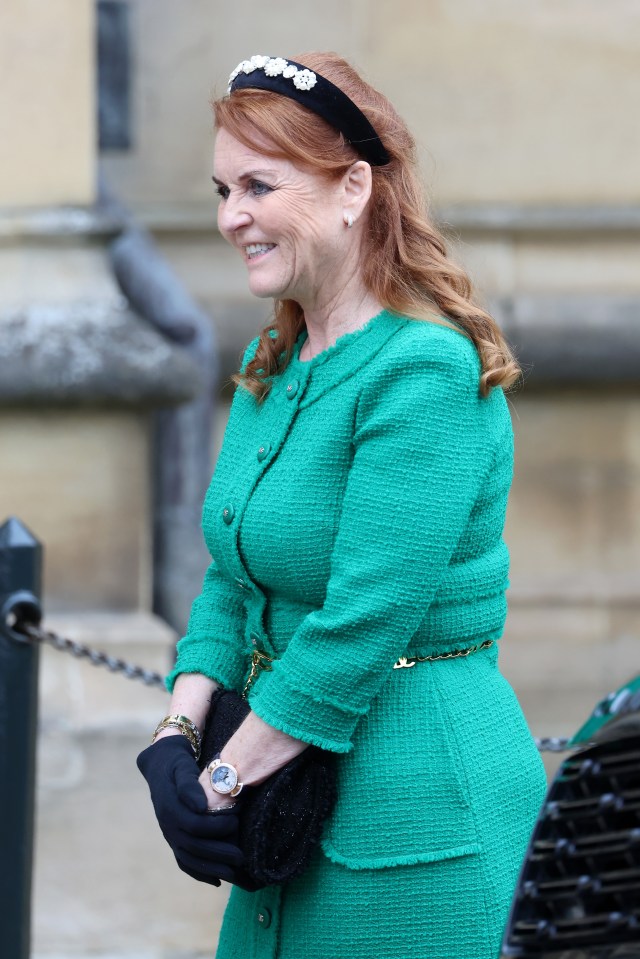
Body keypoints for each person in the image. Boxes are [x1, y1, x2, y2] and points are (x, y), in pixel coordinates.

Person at [137, 51, 547, 959]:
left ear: (354, 186)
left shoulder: (422, 373)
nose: (229, 215)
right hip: (281, 807)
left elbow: (362, 622)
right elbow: (230, 575)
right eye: (221, 188)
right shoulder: (271, 368)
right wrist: (176, 730)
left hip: (417, 827)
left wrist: (217, 782)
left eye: (257, 185)